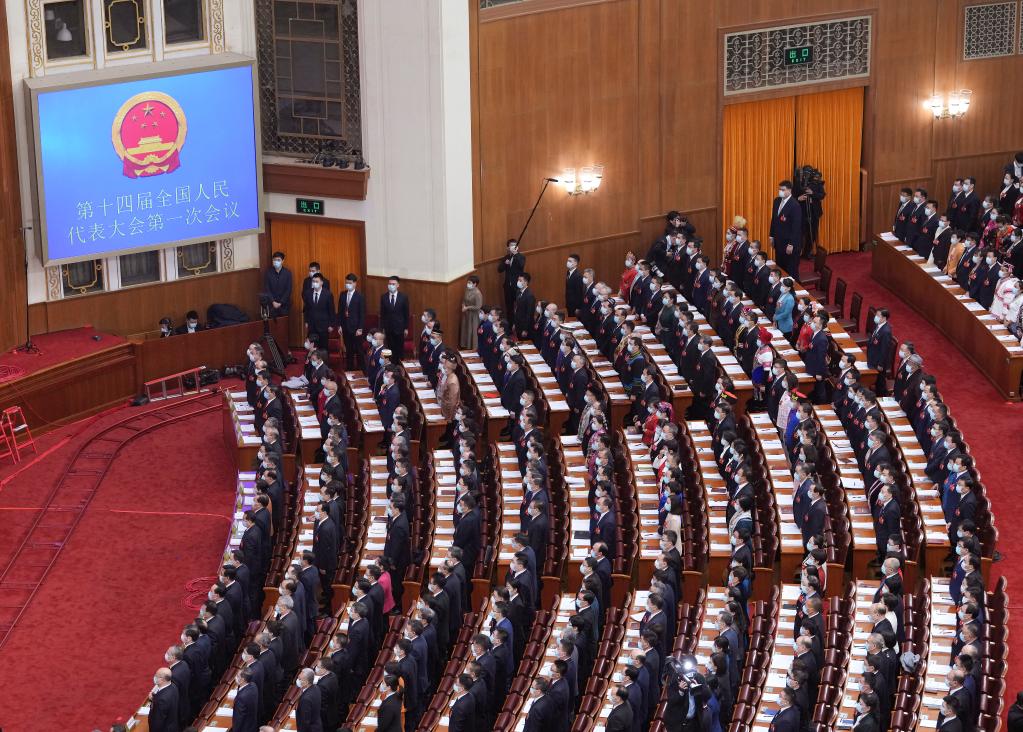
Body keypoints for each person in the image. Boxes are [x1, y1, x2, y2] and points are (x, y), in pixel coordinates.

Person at [770, 180, 804, 279]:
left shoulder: (795, 205)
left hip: (789, 244)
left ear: (789, 190)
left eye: (783, 189)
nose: (780, 191)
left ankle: (794, 288)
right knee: (780, 268)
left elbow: (796, 227)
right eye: (779, 189)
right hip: (779, 241)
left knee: (791, 271)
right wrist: (771, 235)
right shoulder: (777, 201)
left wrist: (791, 244)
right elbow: (774, 219)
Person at [338, 274, 366, 371]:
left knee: (358, 350)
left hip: (356, 328)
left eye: (349, 283)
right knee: (349, 349)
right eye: (346, 283)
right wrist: (339, 325)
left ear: (355, 283)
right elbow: (340, 311)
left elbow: (362, 314)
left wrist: (360, 328)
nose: (347, 284)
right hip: (345, 327)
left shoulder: (360, 296)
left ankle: (361, 369)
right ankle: (350, 368)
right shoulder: (342, 294)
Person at [380, 276, 411, 358]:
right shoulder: (384, 297)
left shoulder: (403, 297)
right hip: (388, 328)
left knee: (399, 350)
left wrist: (406, 328)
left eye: (393, 284)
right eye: (389, 284)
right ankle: (391, 365)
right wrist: (382, 328)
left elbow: (406, 313)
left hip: (400, 328)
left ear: (398, 285)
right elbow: (382, 314)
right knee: (390, 349)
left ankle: (399, 365)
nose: (391, 285)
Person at [303, 273, 335, 348]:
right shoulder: (308, 293)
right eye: (313, 281)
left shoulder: (328, 294)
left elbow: (331, 310)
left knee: (323, 349)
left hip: (323, 326)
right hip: (312, 326)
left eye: (316, 281)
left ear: (321, 282)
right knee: (312, 348)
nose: (314, 283)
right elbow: (306, 308)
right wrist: (306, 321)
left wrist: (331, 325)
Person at [498, 239, 527, 316]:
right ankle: (510, 322)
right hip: (508, 286)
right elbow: (499, 270)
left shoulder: (521, 256)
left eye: (515, 245)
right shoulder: (506, 257)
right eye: (511, 245)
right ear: (508, 248)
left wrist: (516, 254)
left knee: (519, 306)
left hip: (518, 286)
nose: (513, 246)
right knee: (509, 306)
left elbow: (521, 265)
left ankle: (518, 321)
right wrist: (505, 263)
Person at [148, 668, 180, 732]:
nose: (154, 677)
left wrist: (154, 701)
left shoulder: (161, 700)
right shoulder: (173, 686)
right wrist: (154, 698)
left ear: (162, 679)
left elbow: (157, 722)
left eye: (156, 675)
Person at [264, 251, 293, 316]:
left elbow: (288, 290)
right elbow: (267, 289)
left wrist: (281, 302)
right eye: (274, 260)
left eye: (278, 260)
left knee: (283, 321)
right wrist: (273, 301)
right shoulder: (268, 273)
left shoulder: (287, 273)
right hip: (272, 304)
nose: (276, 261)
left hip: (284, 305)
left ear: (282, 261)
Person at [232, 667, 260, 732]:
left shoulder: (241, 698)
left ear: (242, 680)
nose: (235, 677)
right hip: (252, 726)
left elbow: (239, 719)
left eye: (237, 676)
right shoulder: (253, 686)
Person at [460, 275, 484, 349]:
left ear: (475, 284)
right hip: (467, 314)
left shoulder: (477, 293)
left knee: (472, 330)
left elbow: (478, 306)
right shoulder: (467, 290)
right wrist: (463, 306)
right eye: (468, 282)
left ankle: (473, 347)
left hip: (474, 315)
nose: (468, 284)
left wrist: (467, 308)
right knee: (466, 330)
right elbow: (464, 300)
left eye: (470, 282)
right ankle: (466, 345)